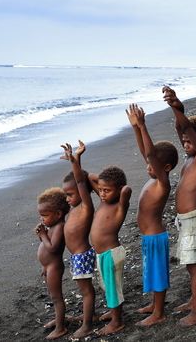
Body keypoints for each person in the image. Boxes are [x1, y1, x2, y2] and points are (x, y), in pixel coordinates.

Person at [162, 86, 196, 326]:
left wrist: (177, 105)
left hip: (193, 219)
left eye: (189, 140)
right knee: (190, 265)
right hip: (185, 221)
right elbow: (181, 129)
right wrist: (176, 109)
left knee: (195, 267)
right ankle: (194, 303)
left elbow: (186, 129)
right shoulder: (190, 159)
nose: (184, 143)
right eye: (183, 141)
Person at [125, 103, 179, 326]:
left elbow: (149, 153)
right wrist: (136, 128)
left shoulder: (162, 183)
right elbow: (145, 152)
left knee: (158, 275)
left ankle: (159, 313)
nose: (148, 165)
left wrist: (144, 125)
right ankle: (154, 306)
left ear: (165, 167)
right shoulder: (154, 178)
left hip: (156, 237)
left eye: (152, 163)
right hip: (149, 237)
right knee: (151, 272)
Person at [88, 165, 131, 335]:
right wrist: (76, 160)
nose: (103, 194)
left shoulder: (120, 205)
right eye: (100, 190)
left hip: (112, 254)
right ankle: (115, 313)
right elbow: (91, 176)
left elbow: (127, 189)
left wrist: (120, 188)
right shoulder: (103, 201)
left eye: (107, 190)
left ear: (118, 190)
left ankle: (117, 322)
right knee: (108, 286)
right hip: (103, 255)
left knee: (113, 288)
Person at [60, 141, 96, 338]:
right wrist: (76, 160)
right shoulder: (75, 207)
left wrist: (74, 160)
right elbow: (79, 179)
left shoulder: (85, 207)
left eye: (69, 194)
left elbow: (81, 183)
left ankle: (87, 325)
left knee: (86, 292)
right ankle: (92, 317)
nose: (66, 198)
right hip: (76, 256)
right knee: (85, 290)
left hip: (82, 255)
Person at [34, 187, 70, 340]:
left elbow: (53, 248)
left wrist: (43, 234)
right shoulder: (52, 226)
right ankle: (58, 319)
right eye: (41, 216)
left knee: (57, 298)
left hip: (54, 267)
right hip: (47, 267)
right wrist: (41, 234)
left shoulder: (60, 227)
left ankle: (61, 328)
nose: (42, 219)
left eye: (44, 215)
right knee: (52, 296)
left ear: (58, 214)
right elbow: (46, 245)